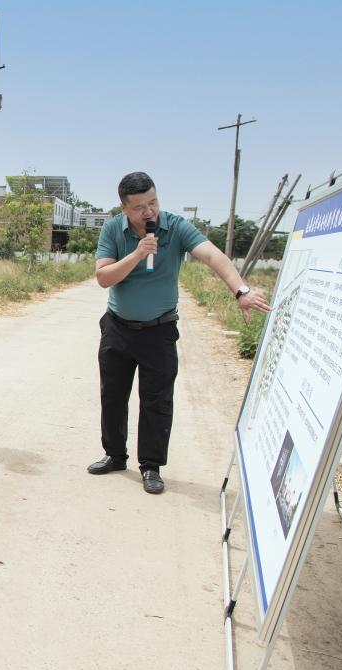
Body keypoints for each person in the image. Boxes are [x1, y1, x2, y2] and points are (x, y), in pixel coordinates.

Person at [88, 172, 270, 494]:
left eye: (153, 202)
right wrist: (138, 254)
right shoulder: (113, 229)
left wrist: (240, 290)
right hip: (118, 328)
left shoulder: (175, 226)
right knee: (113, 396)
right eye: (139, 207)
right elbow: (104, 278)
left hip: (158, 330)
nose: (149, 212)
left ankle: (151, 466)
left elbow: (212, 255)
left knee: (157, 401)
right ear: (124, 208)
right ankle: (114, 455)